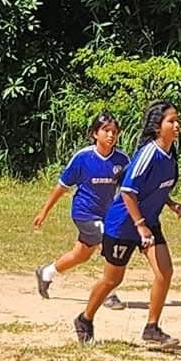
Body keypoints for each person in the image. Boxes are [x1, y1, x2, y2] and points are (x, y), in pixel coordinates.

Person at [74, 101, 181, 350]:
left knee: (164, 272)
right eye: (171, 121)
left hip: (147, 222)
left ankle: (152, 328)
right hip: (124, 224)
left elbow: (155, 186)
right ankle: (84, 319)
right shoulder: (150, 153)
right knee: (112, 280)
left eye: (176, 120)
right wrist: (140, 226)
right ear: (158, 127)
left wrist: (170, 204)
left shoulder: (170, 154)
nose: (177, 125)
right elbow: (127, 191)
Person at [32, 112, 128, 308]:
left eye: (114, 132)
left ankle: (46, 272)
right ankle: (109, 293)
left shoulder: (122, 160)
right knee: (108, 241)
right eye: (106, 130)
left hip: (106, 214)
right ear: (95, 134)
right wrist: (44, 211)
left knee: (81, 255)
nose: (111, 135)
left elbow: (131, 187)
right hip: (84, 213)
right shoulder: (83, 158)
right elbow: (62, 186)